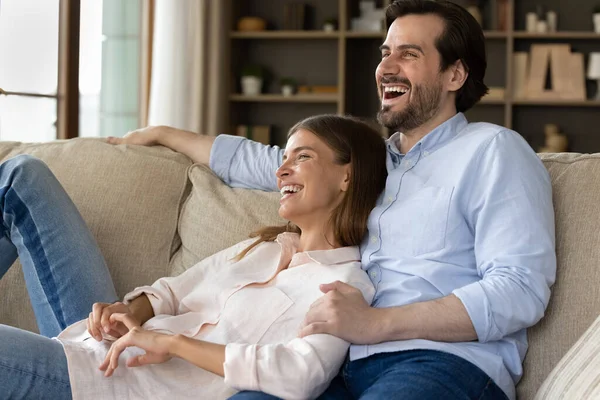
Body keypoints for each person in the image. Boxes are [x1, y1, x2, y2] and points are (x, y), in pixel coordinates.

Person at [113, 1, 556, 399]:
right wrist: (162, 133)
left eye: (409, 54)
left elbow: (519, 290)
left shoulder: (493, 150)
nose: (387, 66)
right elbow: (265, 162)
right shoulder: (370, 162)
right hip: (339, 363)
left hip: (442, 363)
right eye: (386, 53)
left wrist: (375, 324)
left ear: (454, 75)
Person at [0, 114, 388, 399]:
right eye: (283, 159)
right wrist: (128, 312)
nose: (281, 171)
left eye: (301, 158)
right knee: (22, 175)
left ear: (347, 176)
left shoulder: (347, 286)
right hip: (100, 344)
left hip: (119, 384)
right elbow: (170, 292)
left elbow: (302, 372)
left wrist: (173, 344)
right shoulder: (265, 247)